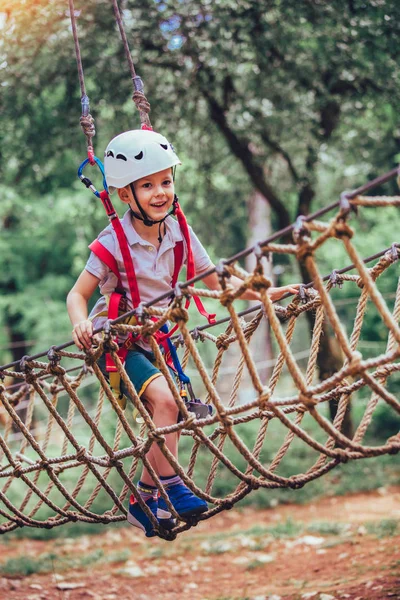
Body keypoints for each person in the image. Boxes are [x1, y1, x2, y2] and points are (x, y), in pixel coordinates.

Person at [67, 129, 299, 537]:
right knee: (168, 402)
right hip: (118, 345)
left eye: (166, 181)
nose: (160, 192)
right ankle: (172, 487)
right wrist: (80, 321)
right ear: (125, 194)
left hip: (159, 342)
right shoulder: (112, 243)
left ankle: (144, 498)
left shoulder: (180, 233)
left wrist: (263, 292)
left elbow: (215, 281)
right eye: (147, 185)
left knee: (169, 413)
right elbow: (77, 294)